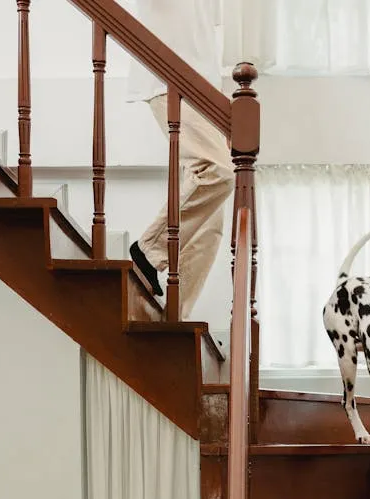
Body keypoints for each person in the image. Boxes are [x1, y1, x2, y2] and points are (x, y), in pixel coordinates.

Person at [126, 0, 233, 320]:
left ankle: (173, 316)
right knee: (217, 173)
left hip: (205, 91)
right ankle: (148, 250)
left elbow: (202, 32)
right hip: (169, 81)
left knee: (210, 225)